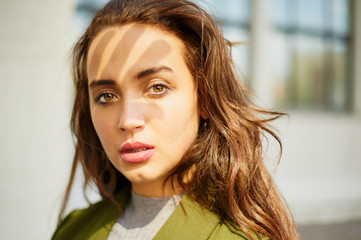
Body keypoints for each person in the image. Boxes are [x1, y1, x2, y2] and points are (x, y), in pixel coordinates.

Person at [52, 0, 300, 239]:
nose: (128, 120)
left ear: (204, 98)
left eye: (157, 88)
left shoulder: (235, 236)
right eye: (106, 96)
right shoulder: (73, 230)